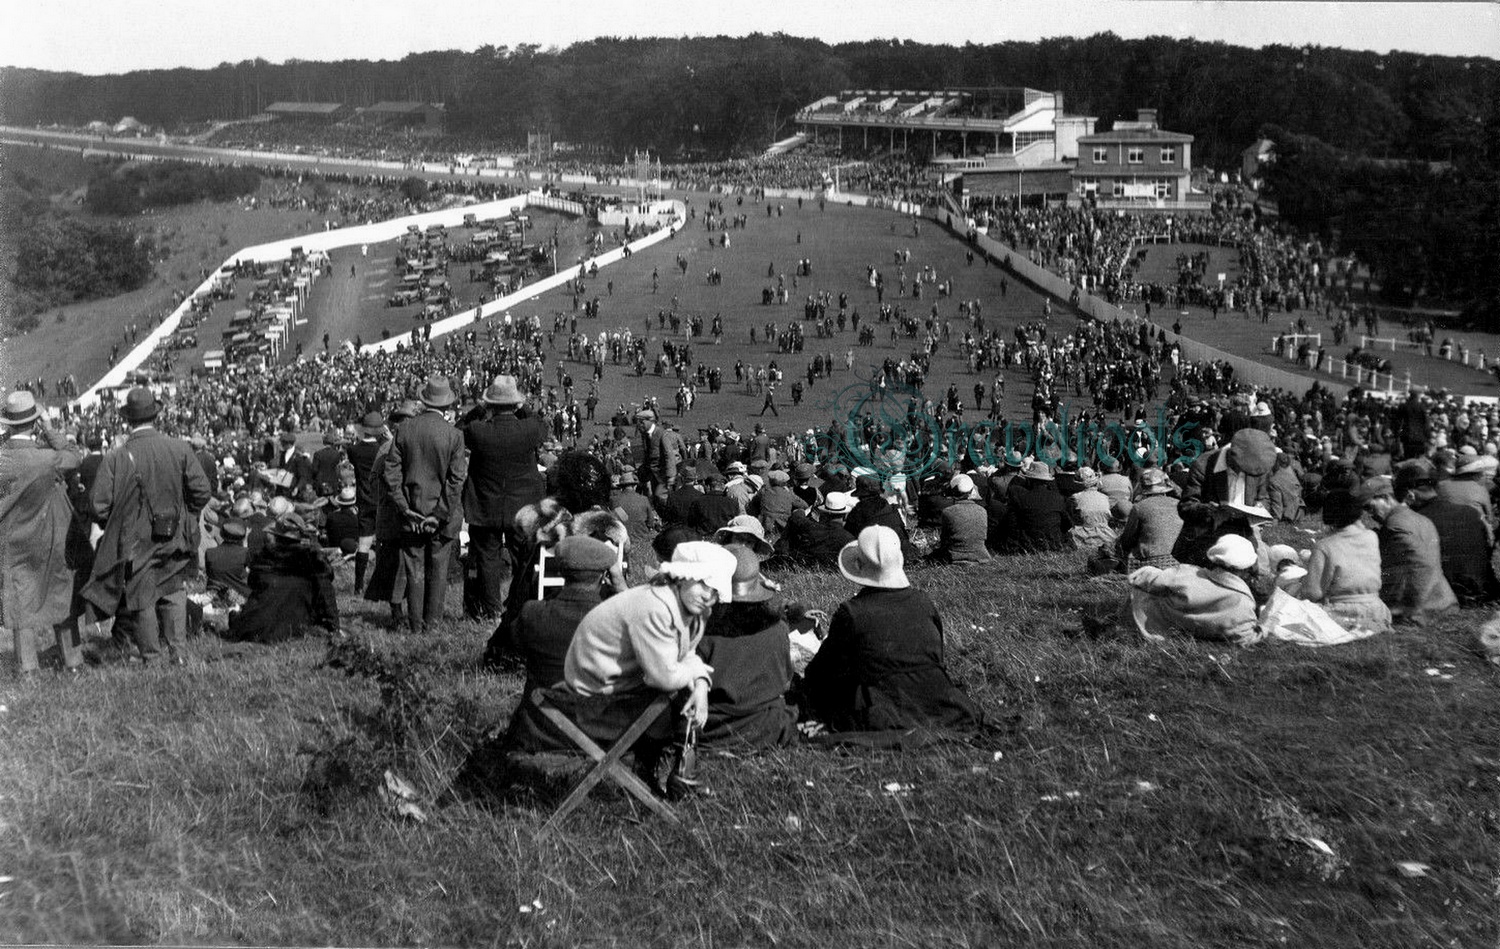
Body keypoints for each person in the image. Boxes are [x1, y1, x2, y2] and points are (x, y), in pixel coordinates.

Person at [561, 542, 738, 796]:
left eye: (715, 591)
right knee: (675, 699)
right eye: (702, 583)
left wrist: (700, 683)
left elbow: (686, 655)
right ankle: (670, 772)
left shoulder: (690, 608)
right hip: (589, 699)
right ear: (680, 577)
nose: (708, 596)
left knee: (683, 694)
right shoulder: (654, 608)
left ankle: (667, 771)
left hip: (620, 682)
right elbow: (665, 676)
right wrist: (694, 679)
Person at [801, 526, 982, 734]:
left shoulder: (852, 612)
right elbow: (937, 658)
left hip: (881, 709)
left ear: (859, 565)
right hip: (936, 699)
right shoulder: (923, 602)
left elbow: (823, 673)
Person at [83, 387, 212, 666]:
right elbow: (202, 491)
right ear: (156, 415)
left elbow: (98, 506)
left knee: (142, 597)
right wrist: (184, 517)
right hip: (174, 533)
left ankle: (151, 658)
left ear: (127, 421)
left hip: (134, 541)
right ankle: (178, 653)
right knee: (174, 589)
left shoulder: (117, 457)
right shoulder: (179, 448)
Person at [499, 535, 616, 747]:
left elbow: (511, 645)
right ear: (604, 576)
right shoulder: (619, 622)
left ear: (560, 572)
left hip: (539, 732)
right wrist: (621, 589)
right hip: (602, 737)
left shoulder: (532, 614)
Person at [0, 391, 84, 678]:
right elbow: (75, 456)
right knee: (60, 594)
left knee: (21, 603)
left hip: (12, 540)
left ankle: (28, 669)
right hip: (47, 535)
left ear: (8, 424)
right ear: (34, 422)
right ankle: (72, 661)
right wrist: (49, 428)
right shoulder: (46, 458)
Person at [383, 377, 469, 634]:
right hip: (442, 516)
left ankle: (415, 624)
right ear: (447, 405)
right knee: (438, 570)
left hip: (411, 512)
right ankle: (432, 625)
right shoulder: (454, 435)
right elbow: (456, 480)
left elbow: (391, 472)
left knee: (414, 568)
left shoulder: (405, 429)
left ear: (424, 401)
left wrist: (403, 506)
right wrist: (440, 513)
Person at [462, 375, 549, 619]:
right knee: (523, 556)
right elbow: (541, 424)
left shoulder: (478, 430)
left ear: (490, 404)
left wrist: (480, 409)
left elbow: (460, 427)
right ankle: (518, 604)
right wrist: (524, 407)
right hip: (522, 506)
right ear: (516, 404)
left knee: (487, 559)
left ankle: (491, 610)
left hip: (485, 504)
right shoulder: (529, 429)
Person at [696, 545, 798, 749]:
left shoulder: (701, 634)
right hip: (767, 728)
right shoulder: (779, 628)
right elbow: (786, 679)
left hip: (713, 731)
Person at [1126, 534, 1267, 646]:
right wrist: (1267, 627)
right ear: (1247, 568)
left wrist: (1148, 572)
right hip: (1181, 636)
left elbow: (1145, 579)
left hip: (1143, 621)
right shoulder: (1243, 602)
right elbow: (1244, 637)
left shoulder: (1188, 572)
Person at [226, 512, 339, 644]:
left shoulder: (263, 557)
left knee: (236, 614)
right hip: (296, 626)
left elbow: (253, 584)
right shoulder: (314, 560)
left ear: (276, 536)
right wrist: (334, 627)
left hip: (255, 626)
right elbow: (326, 595)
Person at [1359, 476, 1459, 625]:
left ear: (1386, 498)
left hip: (1415, 611)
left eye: (1369, 507)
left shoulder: (1393, 525)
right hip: (1444, 602)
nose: (1370, 514)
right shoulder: (1423, 519)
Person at [1174, 428, 1276, 568]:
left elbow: (1264, 498)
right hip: (1207, 535)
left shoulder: (1257, 467)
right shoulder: (1204, 465)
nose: (1242, 473)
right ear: (1231, 456)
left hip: (1243, 533)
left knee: (1258, 571)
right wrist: (1209, 511)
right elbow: (1185, 506)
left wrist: (1259, 510)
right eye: (1240, 468)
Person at [1299, 489, 1392, 634]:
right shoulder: (1372, 537)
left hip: (1343, 612)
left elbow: (1312, 593)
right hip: (1377, 610)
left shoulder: (1324, 546)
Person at [1399, 463, 1496, 603]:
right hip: (1482, 590)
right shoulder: (1471, 512)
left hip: (1447, 594)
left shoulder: (1417, 521)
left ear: (1410, 494)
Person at [363, 400, 421, 625]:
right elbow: (379, 482)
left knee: (399, 566)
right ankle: (397, 613)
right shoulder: (389, 447)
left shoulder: (390, 445)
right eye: (402, 420)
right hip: (394, 515)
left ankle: (400, 611)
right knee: (396, 566)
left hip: (395, 514)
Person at [1115, 468, 1183, 569]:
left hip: (1148, 563)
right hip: (1176, 561)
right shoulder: (1179, 504)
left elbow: (1127, 540)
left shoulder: (1139, 507)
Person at [1000, 460, 1070, 553]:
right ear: (1047, 481)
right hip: (1053, 545)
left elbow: (1012, 524)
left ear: (1029, 480)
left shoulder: (1021, 497)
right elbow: (1067, 524)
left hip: (1028, 546)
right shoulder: (1058, 498)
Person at [779, 491, 856, 567]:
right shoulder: (849, 539)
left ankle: (780, 554)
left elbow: (797, 518)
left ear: (823, 513)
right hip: (830, 570)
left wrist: (800, 512)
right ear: (845, 515)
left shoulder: (810, 528)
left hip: (804, 566)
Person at [925, 474, 990, 563]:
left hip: (955, 557)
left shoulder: (948, 512)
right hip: (981, 556)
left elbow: (945, 539)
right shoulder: (982, 511)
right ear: (971, 491)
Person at [204, 519, 251, 601]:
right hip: (240, 595)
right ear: (242, 538)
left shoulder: (210, 552)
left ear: (222, 534)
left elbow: (209, 573)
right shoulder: (245, 553)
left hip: (214, 595)